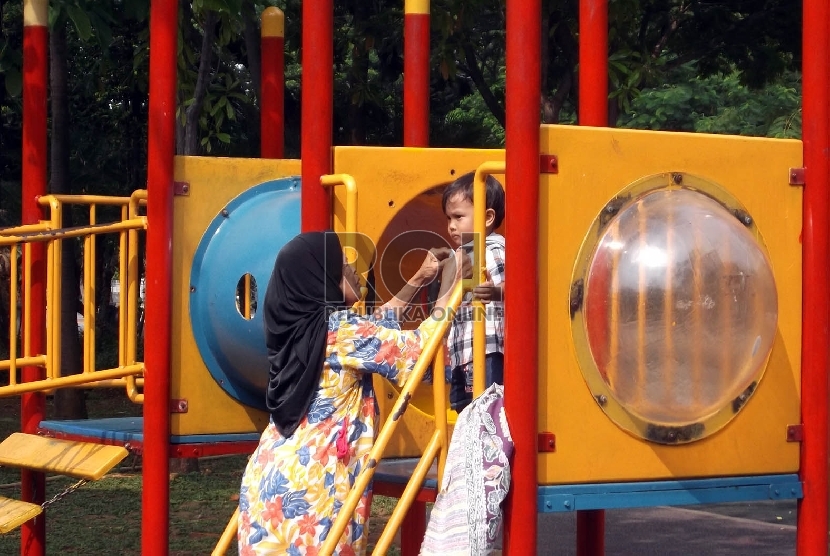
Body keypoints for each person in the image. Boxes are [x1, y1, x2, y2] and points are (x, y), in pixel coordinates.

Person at [238, 231, 461, 555]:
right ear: (322, 279)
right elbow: (416, 354)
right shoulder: (340, 329)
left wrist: (417, 278)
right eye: (343, 265)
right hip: (314, 489)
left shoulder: (303, 329)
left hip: (269, 480)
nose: (354, 270)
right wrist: (448, 290)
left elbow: (374, 328)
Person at [439, 171, 506, 413]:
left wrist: (496, 292)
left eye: (458, 217)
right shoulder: (463, 254)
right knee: (465, 410)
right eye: (448, 218)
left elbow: (518, 287)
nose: (451, 226)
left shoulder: (494, 250)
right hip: (464, 352)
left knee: (486, 410)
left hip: (487, 350)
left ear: (488, 217)